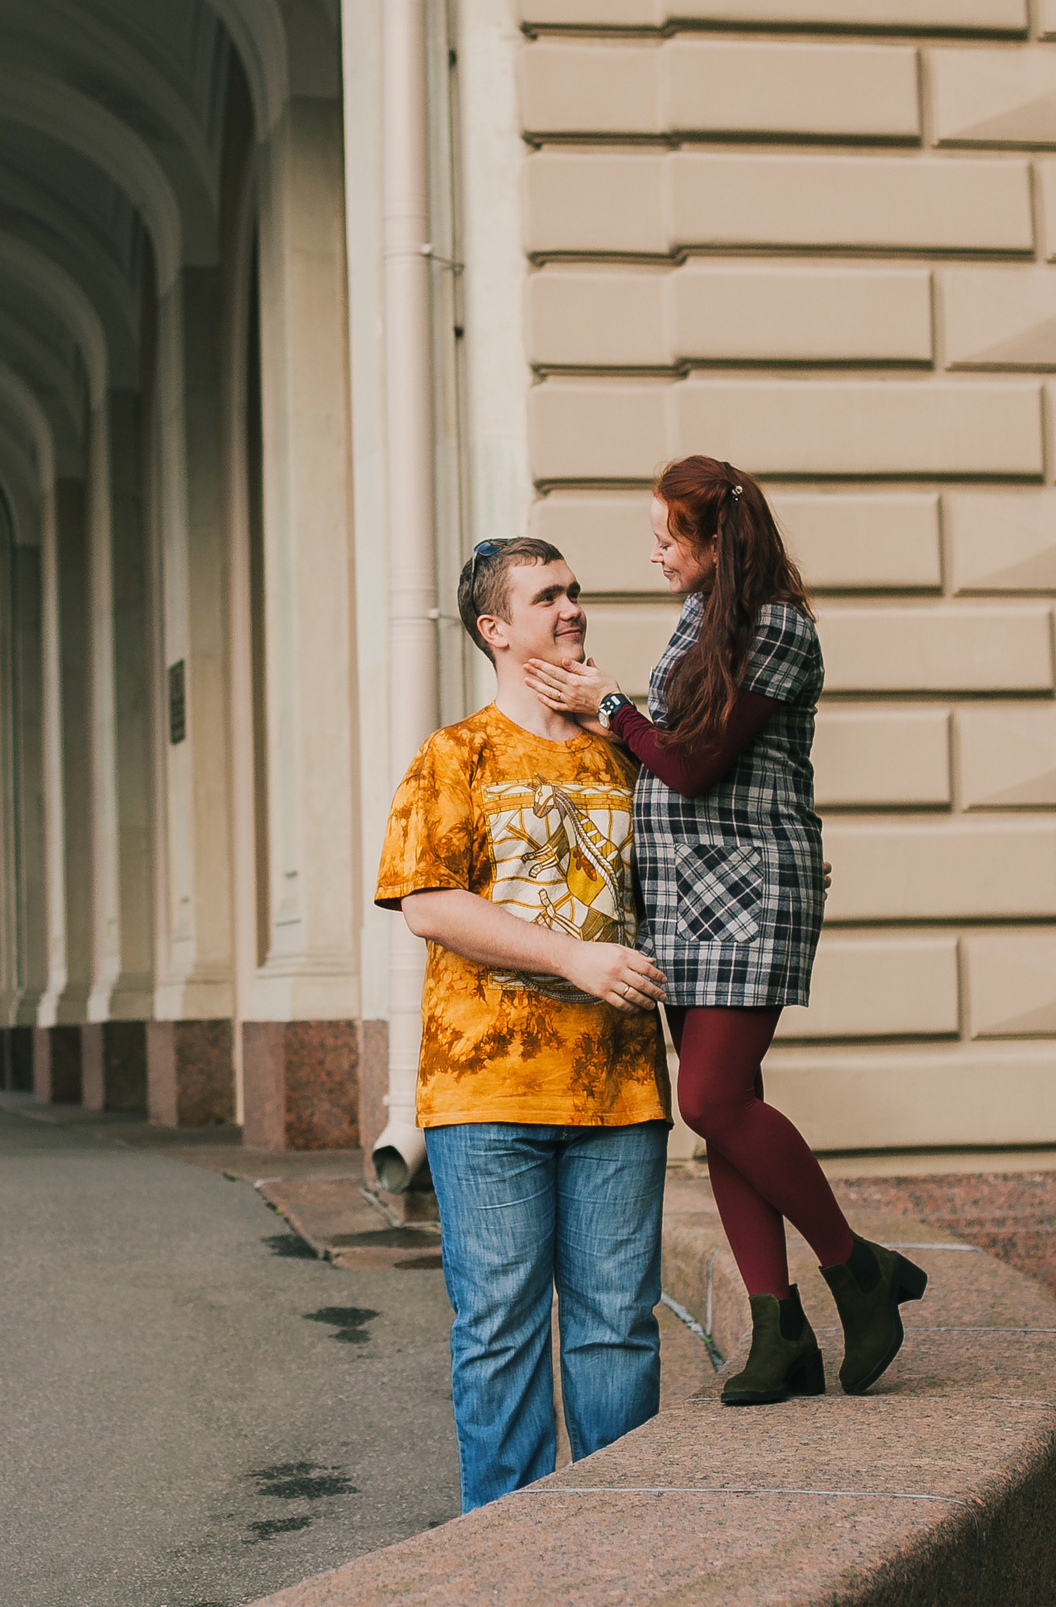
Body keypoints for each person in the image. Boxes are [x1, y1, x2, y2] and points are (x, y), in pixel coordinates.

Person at [525, 456, 928, 1406]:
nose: (655, 550)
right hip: (684, 896)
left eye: (669, 535)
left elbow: (692, 763)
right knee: (726, 1113)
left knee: (708, 1097)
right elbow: (658, 750)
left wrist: (610, 705)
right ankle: (777, 1330)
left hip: (749, 891)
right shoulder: (699, 623)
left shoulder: (776, 628)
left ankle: (858, 1269)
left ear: (717, 540)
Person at [374, 537, 673, 1512]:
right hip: (484, 1092)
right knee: (500, 1328)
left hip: (619, 1090)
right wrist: (572, 957)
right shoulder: (452, 756)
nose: (571, 610)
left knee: (616, 1328)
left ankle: (619, 1545)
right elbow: (429, 905)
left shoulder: (624, 756)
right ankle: (507, 1552)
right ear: (493, 629)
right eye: (548, 598)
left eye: (575, 593)